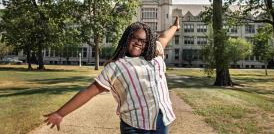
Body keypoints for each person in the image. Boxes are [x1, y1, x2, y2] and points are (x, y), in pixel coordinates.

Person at [44, 16, 180, 133]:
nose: (139, 42)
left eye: (144, 41)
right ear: (127, 38)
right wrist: (60, 113)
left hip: (161, 121)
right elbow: (89, 92)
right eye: (135, 38)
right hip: (134, 125)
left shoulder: (155, 54)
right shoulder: (115, 67)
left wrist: (174, 27)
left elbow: (164, 37)